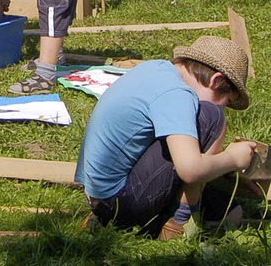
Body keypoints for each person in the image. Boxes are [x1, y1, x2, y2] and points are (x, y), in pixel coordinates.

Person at [75, 36, 257, 240]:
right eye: (225, 101)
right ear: (216, 80)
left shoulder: (156, 69)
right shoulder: (176, 95)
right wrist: (233, 158)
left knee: (232, 214)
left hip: (100, 197)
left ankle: (196, 209)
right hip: (119, 203)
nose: (222, 107)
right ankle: (177, 223)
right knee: (212, 118)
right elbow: (190, 169)